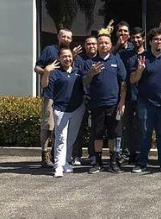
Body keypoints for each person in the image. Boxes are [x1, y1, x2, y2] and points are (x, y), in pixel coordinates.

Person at [130, 28, 161, 173]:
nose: (159, 42)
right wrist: (139, 70)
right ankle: (142, 163)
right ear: (150, 41)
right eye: (156, 39)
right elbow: (133, 80)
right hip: (145, 102)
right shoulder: (142, 57)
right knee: (145, 132)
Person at [34, 28, 82, 168]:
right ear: (58, 37)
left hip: (66, 98)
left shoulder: (72, 54)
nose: (65, 39)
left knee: (61, 130)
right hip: (50, 95)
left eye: (68, 37)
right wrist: (48, 72)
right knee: (48, 126)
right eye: (63, 36)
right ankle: (44, 154)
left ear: (71, 39)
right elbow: (37, 68)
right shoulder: (49, 50)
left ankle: (58, 156)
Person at [82, 33, 127, 174]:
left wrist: (122, 101)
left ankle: (113, 162)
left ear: (111, 45)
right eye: (100, 42)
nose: (103, 45)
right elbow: (84, 82)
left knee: (114, 134)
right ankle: (98, 162)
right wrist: (91, 73)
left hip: (114, 105)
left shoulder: (117, 61)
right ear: (97, 45)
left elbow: (123, 83)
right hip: (96, 105)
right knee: (97, 134)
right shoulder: (89, 63)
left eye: (106, 42)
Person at [41, 47, 86, 178]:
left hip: (77, 108)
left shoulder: (78, 71)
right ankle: (58, 166)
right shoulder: (54, 72)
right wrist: (46, 72)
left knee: (71, 137)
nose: (67, 58)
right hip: (60, 110)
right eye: (64, 56)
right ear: (59, 58)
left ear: (73, 58)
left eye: (70, 56)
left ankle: (65, 161)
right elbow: (44, 85)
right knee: (61, 138)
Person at [71, 35, 98, 166]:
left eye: (93, 44)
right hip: (81, 99)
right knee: (78, 128)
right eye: (88, 44)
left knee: (94, 129)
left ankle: (92, 154)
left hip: (95, 100)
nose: (91, 46)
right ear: (85, 46)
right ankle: (77, 155)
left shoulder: (101, 60)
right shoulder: (79, 60)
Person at [121, 27, 146, 165]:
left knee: (141, 127)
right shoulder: (125, 55)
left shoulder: (148, 55)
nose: (136, 40)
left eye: (138, 37)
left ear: (143, 39)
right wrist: (122, 99)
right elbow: (123, 78)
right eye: (134, 37)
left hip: (143, 97)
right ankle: (128, 154)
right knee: (127, 127)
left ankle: (139, 154)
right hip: (129, 96)